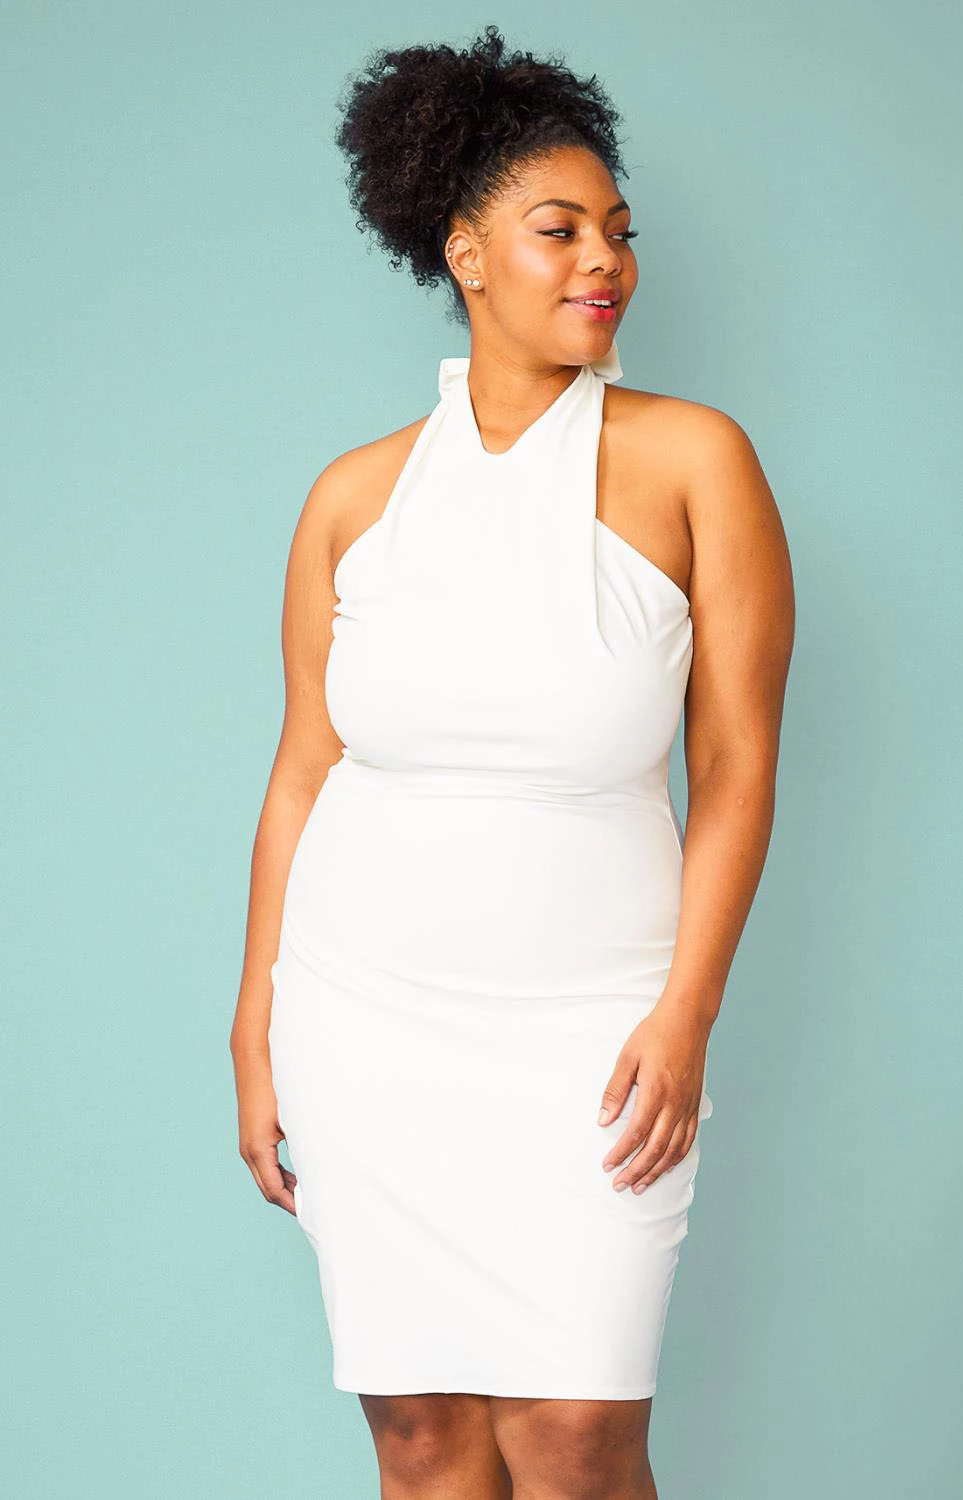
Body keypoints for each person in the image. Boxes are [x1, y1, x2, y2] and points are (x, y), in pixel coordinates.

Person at [229, 24, 794, 1500]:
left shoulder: (696, 463)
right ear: (465, 253)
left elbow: (736, 767)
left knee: (576, 1441)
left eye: (619, 231)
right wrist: (253, 1025)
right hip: (363, 1020)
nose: (604, 259)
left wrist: (686, 1016)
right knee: (421, 1439)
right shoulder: (352, 500)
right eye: (561, 230)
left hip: (593, 1028)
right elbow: (302, 772)